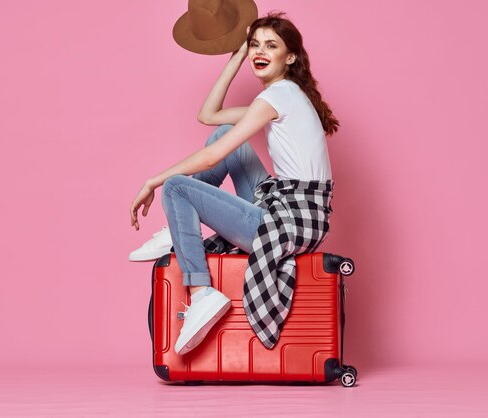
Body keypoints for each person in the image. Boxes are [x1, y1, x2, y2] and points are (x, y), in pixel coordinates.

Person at [130, 12, 339, 355]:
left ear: (290, 57)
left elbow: (212, 158)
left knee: (176, 187)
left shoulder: (279, 96)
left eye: (271, 46)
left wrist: (154, 180)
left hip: (291, 222)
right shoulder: (283, 94)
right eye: (255, 44)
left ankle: (201, 293)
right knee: (226, 132)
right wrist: (238, 53)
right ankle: (181, 227)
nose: (260, 51)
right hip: (297, 211)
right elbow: (209, 115)